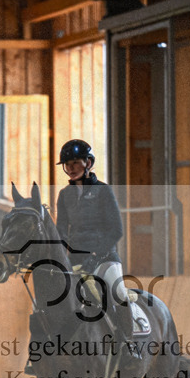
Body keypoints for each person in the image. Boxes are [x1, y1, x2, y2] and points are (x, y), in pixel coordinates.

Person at [54, 139, 141, 362]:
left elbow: (116, 230)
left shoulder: (103, 191)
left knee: (119, 293)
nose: (71, 168)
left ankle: (129, 344)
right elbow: (61, 231)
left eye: (75, 163)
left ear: (88, 163)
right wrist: (61, 256)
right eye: (67, 164)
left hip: (105, 257)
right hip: (75, 259)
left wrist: (95, 256)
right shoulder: (65, 195)